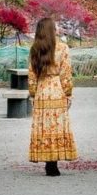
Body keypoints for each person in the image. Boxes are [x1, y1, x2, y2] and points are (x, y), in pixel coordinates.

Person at [27, 17, 78, 176]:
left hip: (42, 90)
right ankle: (54, 162)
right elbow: (66, 74)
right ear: (52, 31)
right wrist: (68, 93)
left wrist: (33, 94)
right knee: (57, 126)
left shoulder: (35, 49)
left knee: (44, 127)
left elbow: (32, 75)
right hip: (57, 90)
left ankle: (48, 162)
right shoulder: (62, 48)